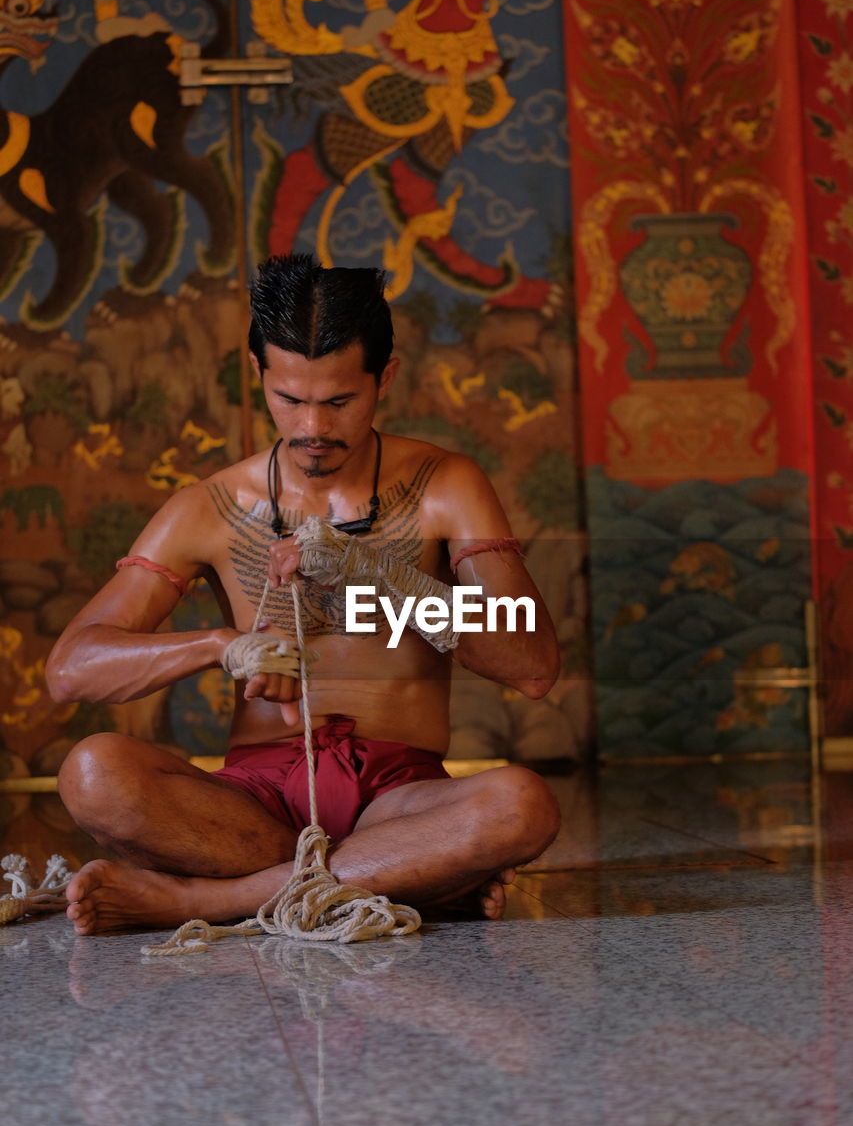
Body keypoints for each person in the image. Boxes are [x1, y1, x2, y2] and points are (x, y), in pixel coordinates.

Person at [46, 254, 561, 936]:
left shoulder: (445, 484)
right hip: (254, 802)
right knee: (91, 772)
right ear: (259, 375)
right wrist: (219, 648)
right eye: (290, 399)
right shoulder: (207, 506)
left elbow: (530, 664)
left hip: (397, 795)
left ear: (385, 379)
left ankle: (205, 901)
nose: (312, 427)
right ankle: (402, 877)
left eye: (339, 401)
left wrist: (382, 574)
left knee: (521, 805)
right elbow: (69, 669)